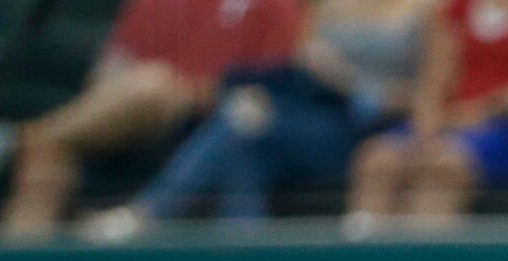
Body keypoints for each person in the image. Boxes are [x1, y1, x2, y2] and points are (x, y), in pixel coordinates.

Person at [92, 0, 437, 232]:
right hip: (318, 116)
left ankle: (152, 212)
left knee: (242, 128)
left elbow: (432, 89)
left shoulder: (429, 8)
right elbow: (299, 61)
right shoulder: (324, 5)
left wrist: (365, 92)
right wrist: (317, 70)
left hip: (372, 129)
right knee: (243, 123)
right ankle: (243, 245)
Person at [0, 0, 305, 235]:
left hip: (204, 118)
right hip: (130, 119)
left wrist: (185, 90)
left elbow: (268, 90)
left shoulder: (272, 3)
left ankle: (15, 139)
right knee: (47, 153)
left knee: (152, 84)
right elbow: (106, 75)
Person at [346, 0, 508, 226]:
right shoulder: (459, 6)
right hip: (454, 122)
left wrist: (484, 110)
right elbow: (434, 81)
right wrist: (426, 126)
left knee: (443, 165)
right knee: (377, 160)